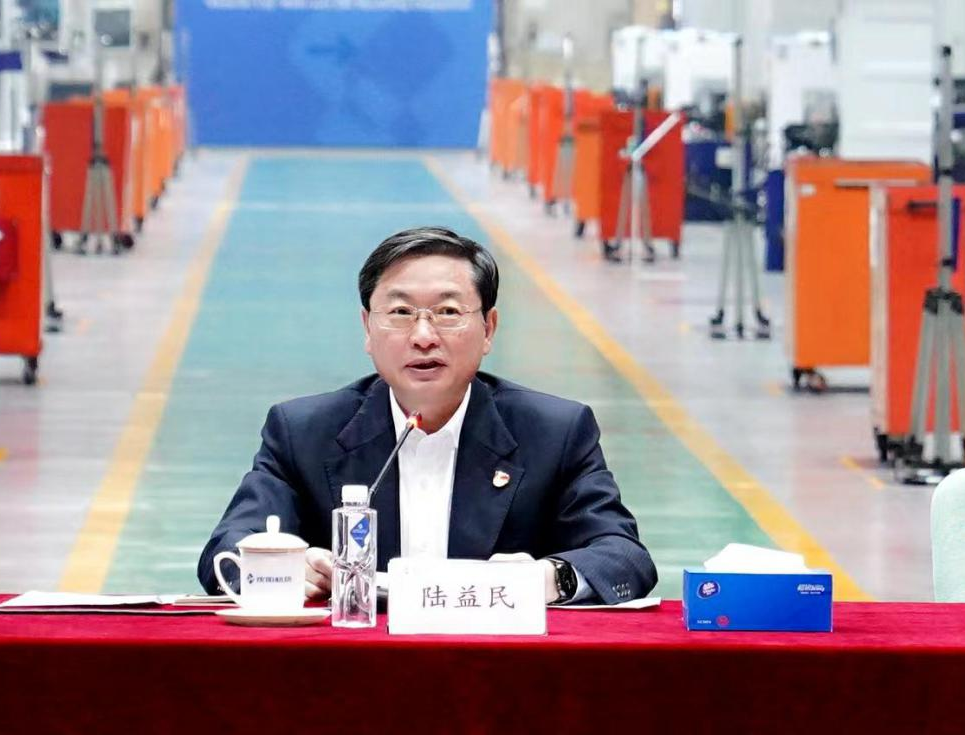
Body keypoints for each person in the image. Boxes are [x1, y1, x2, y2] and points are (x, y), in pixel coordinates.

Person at [197, 226, 657, 604]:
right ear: (368, 328)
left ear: (488, 328)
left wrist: (549, 577)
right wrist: (281, 569)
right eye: (400, 312)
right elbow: (226, 551)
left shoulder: (555, 431)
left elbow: (624, 557)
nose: (423, 336)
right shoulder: (303, 431)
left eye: (447, 311)